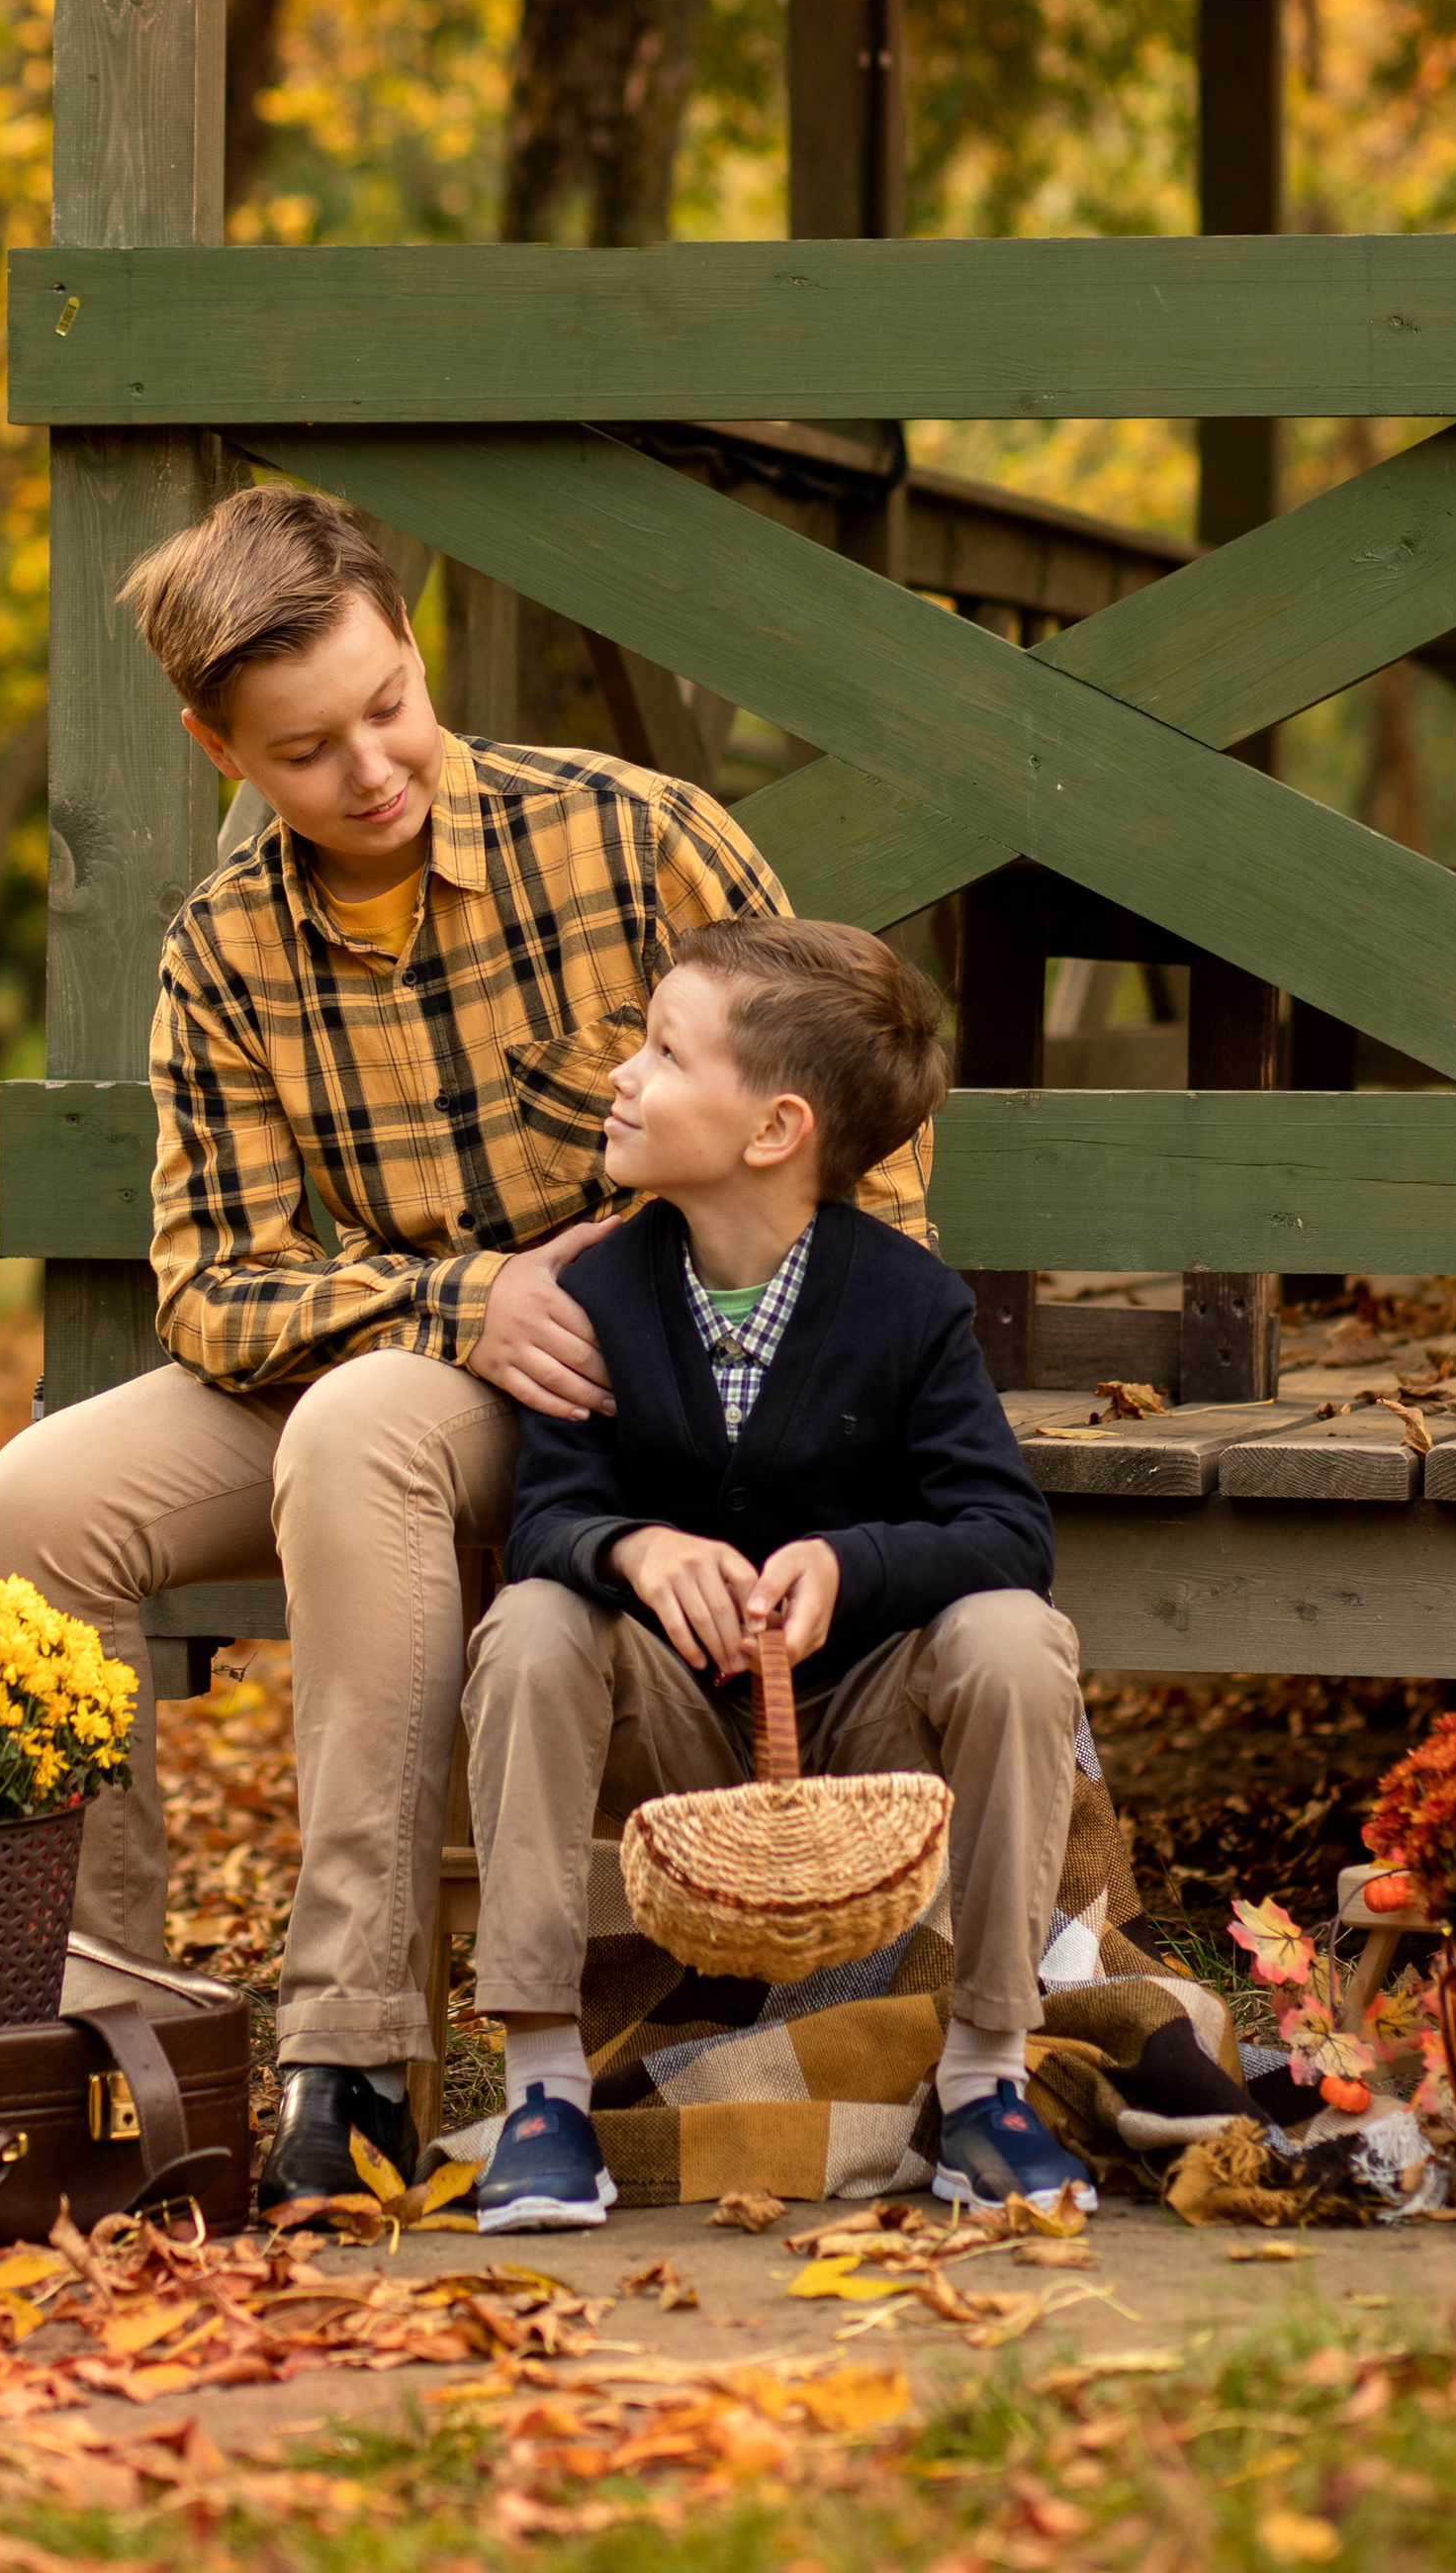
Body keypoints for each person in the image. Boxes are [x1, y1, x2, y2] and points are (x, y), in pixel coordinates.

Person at [0, 485, 934, 2212]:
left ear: (412, 647)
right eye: (304, 750)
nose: (371, 770)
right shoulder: (224, 953)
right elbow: (213, 1287)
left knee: (362, 1431)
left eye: (389, 706)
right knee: (38, 1506)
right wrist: (460, 1301)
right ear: (219, 750)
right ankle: (111, 2040)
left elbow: (855, 1142)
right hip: (414, 1351)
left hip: (643, 1379)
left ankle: (350, 2051)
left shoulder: (636, 840)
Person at [461, 912, 1088, 2234]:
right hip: (673, 1726)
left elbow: (1007, 1530)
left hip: (865, 1735)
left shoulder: (909, 1302)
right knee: (531, 1622)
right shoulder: (601, 1291)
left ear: (774, 1130)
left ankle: (987, 2077)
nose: (623, 1073)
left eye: (663, 1052)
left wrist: (848, 1565)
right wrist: (632, 1547)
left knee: (1016, 1638)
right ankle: (544, 2094)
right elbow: (548, 1520)